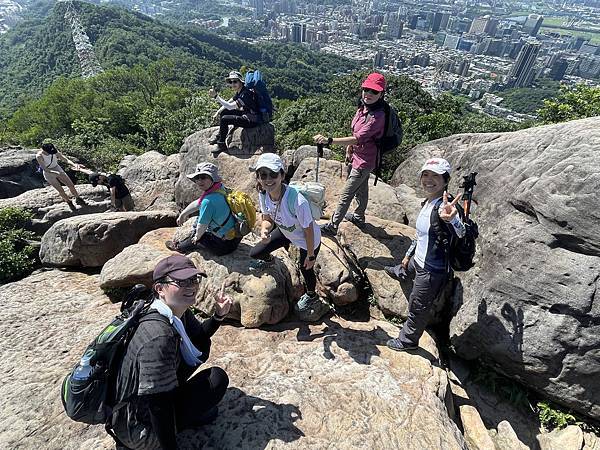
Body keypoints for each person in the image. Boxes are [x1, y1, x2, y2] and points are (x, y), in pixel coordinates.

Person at [110, 254, 231, 450]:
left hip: (143, 402)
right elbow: (159, 405)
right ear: (160, 288)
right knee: (216, 381)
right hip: (138, 426)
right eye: (181, 281)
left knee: (212, 372)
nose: (191, 286)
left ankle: (183, 414)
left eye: (194, 279)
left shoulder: (174, 311)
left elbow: (198, 340)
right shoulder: (158, 335)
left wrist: (218, 316)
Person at [384, 158, 465, 352]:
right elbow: (420, 235)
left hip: (432, 269)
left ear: (446, 180)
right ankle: (401, 270)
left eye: (435, 175)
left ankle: (408, 341)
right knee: (407, 266)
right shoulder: (428, 202)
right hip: (418, 260)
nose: (429, 180)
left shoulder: (447, 207)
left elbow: (461, 233)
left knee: (417, 306)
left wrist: (453, 220)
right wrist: (407, 256)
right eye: (426, 174)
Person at [249, 153, 330, 322]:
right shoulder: (264, 194)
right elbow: (267, 219)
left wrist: (310, 255)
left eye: (273, 174)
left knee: (305, 268)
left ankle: (311, 295)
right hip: (286, 232)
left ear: (282, 175)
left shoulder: (296, 200)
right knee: (255, 253)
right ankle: (271, 260)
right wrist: (265, 231)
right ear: (258, 177)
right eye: (263, 175)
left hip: (308, 240)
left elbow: (308, 229)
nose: (268, 179)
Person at [314, 72, 387, 234]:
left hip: (365, 160)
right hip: (358, 155)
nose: (368, 94)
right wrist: (349, 149)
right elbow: (355, 130)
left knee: (346, 194)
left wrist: (329, 140)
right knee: (361, 189)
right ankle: (359, 217)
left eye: (374, 91)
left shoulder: (378, 116)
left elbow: (358, 138)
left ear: (381, 94)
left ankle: (333, 226)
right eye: (366, 89)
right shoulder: (363, 107)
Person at [166, 162, 241, 256]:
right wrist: (183, 214)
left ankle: (179, 247)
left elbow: (202, 225)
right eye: (197, 178)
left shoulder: (208, 201)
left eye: (203, 177)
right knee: (199, 222)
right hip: (235, 239)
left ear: (212, 179)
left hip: (224, 247)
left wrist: (196, 237)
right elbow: (198, 203)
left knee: (199, 237)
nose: (199, 181)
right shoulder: (220, 189)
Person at [208, 70, 260, 155]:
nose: (232, 84)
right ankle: (220, 136)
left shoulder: (245, 94)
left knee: (225, 119)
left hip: (251, 121)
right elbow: (229, 102)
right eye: (230, 82)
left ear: (240, 82)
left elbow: (230, 106)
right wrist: (218, 112)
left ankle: (221, 144)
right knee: (224, 112)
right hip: (245, 114)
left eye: (235, 81)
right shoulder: (241, 91)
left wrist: (216, 96)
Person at [35, 142, 87, 211]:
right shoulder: (39, 156)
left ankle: (78, 198)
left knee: (71, 185)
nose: (52, 153)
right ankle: (69, 202)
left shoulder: (53, 150)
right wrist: (54, 172)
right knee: (60, 190)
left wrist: (74, 164)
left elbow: (65, 159)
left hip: (57, 167)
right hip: (49, 173)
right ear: (44, 150)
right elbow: (45, 169)